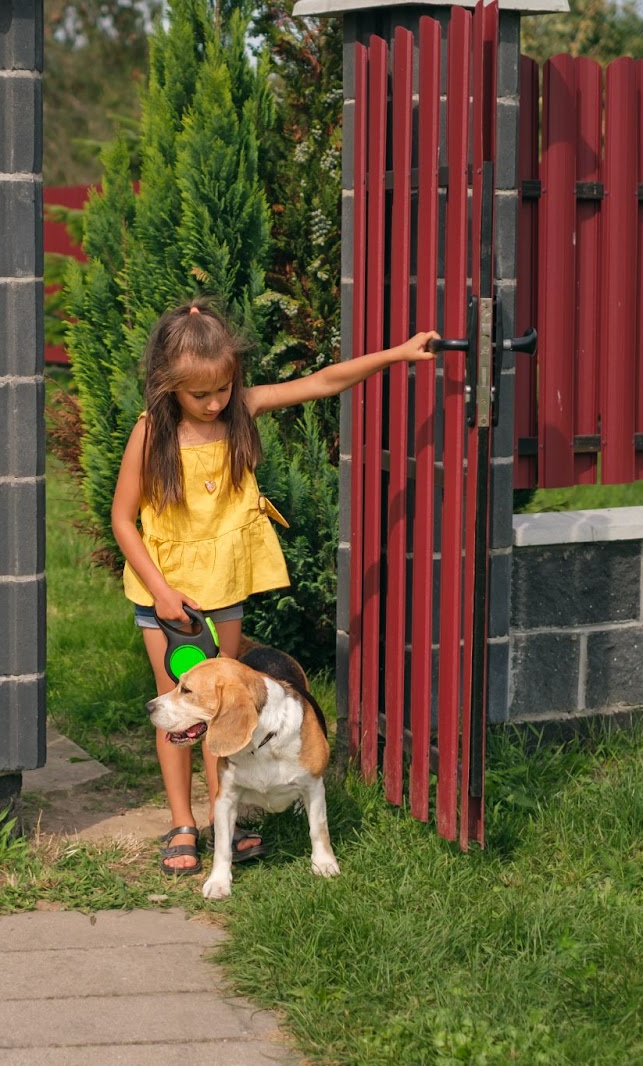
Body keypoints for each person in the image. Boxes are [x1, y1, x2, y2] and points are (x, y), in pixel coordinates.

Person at [110, 298, 439, 875]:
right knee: (181, 710)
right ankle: (182, 822)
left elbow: (324, 382)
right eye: (200, 395)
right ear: (169, 387)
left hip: (225, 587)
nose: (215, 403)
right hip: (166, 598)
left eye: (223, 389)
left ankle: (221, 821)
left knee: (220, 708)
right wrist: (161, 592)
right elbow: (122, 519)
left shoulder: (241, 410)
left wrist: (400, 353)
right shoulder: (149, 433)